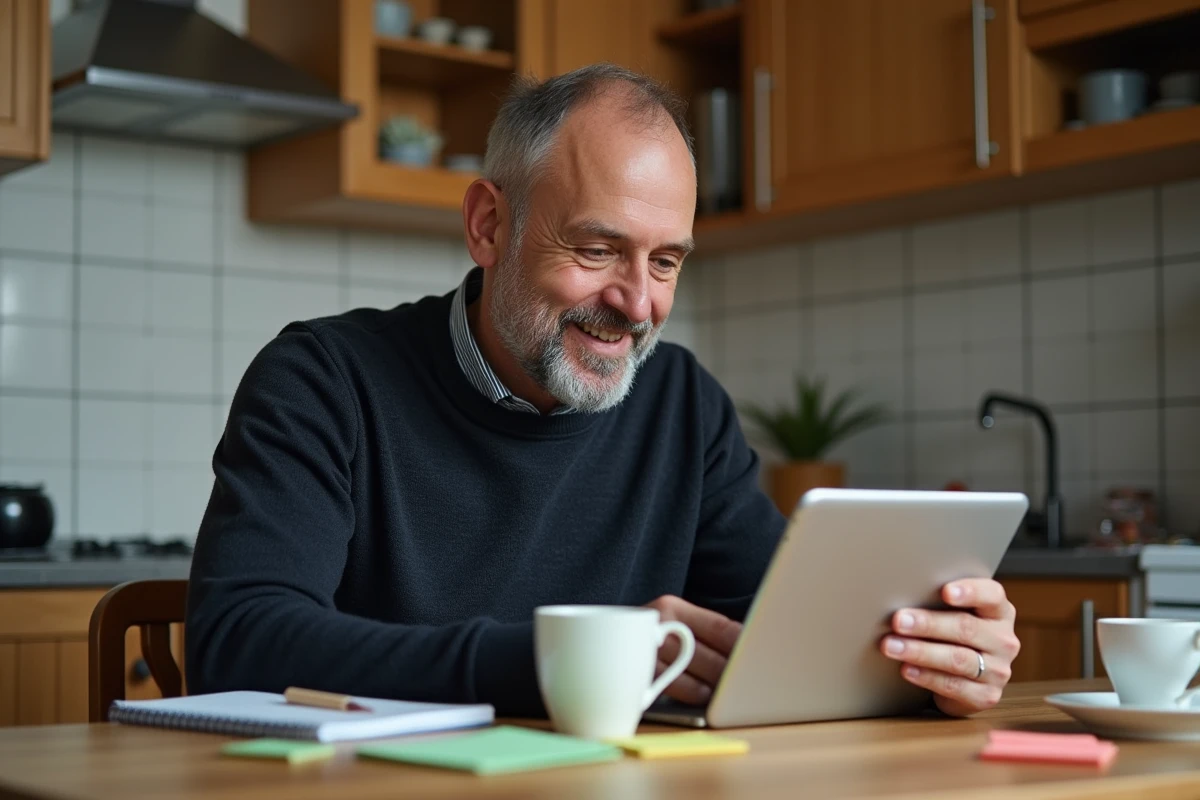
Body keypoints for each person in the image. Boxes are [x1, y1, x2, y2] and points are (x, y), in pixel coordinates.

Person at [186, 64, 1020, 719]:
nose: (637, 303)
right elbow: (238, 642)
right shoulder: (323, 381)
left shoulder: (682, 407)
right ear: (488, 226)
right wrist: (558, 662)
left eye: (666, 262)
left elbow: (782, 644)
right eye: (596, 249)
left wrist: (931, 660)